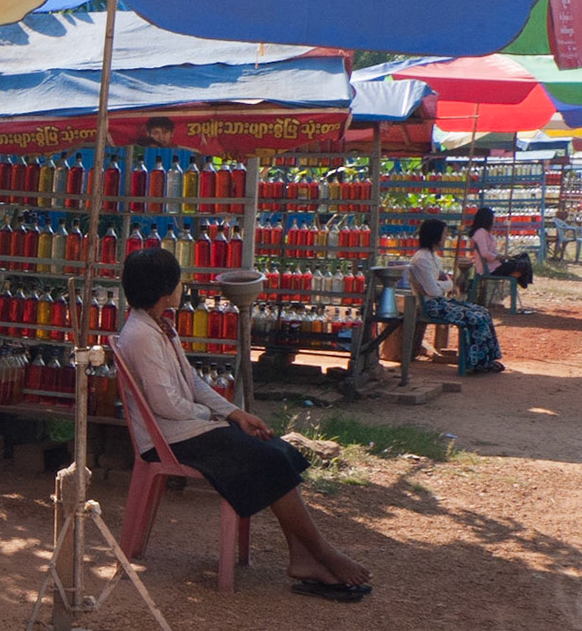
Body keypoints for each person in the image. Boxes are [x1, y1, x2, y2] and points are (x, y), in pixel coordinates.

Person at [111, 248, 373, 602]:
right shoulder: (141, 336)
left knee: (278, 450)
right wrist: (214, 418)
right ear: (165, 291)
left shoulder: (161, 327)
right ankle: (322, 552)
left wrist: (235, 415)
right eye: (178, 282)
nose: (181, 287)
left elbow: (194, 383)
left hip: (189, 427)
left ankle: (302, 556)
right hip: (172, 437)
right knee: (269, 459)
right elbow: (166, 405)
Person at [404, 218, 504, 374]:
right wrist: (445, 284)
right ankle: (476, 362)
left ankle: (487, 359)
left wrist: (443, 284)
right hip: (431, 306)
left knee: (482, 312)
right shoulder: (421, 259)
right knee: (474, 318)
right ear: (435, 235)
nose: (446, 238)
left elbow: (444, 283)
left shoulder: (433, 257)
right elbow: (435, 290)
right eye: (444, 234)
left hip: (440, 301)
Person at [467, 205, 533, 294]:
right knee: (523, 264)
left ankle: (523, 280)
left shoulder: (485, 233)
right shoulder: (480, 233)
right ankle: (522, 281)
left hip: (495, 265)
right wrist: (498, 257)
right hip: (491, 269)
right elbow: (484, 253)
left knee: (524, 256)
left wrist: (501, 257)